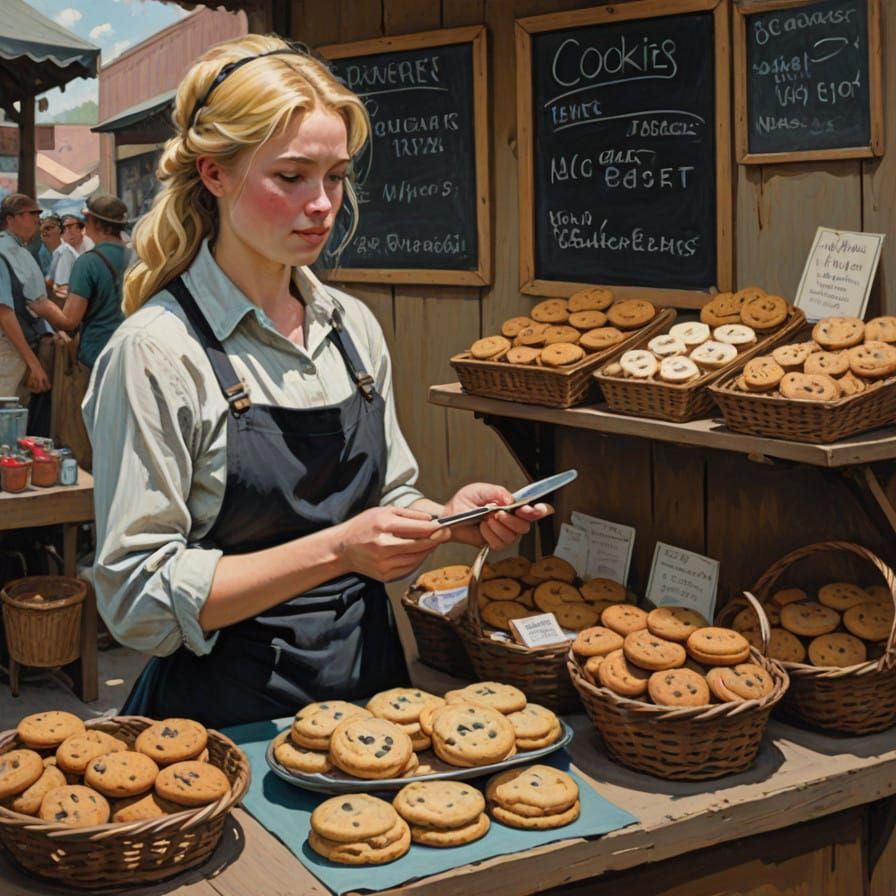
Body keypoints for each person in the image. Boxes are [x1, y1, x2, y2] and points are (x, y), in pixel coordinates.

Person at [82, 35, 550, 729]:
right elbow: (137, 600)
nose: (324, 203)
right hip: (225, 724)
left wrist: (448, 518)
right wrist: (337, 550)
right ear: (214, 173)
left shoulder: (350, 325)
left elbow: (384, 498)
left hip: (373, 697)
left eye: (335, 176)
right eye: (293, 176)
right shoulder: (156, 352)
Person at [30, 193, 129, 469]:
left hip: (96, 357)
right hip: (133, 355)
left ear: (91, 222)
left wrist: (43, 305)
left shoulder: (88, 262)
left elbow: (70, 321)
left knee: (92, 436)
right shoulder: (140, 258)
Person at [0, 194, 51, 404]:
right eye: (28, 214)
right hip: (7, 351)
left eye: (37, 214)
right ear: (10, 219)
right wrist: (33, 362)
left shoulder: (21, 250)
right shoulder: (3, 252)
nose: (36, 219)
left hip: (22, 347)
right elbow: (4, 314)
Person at [41, 214, 78, 300]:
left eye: (48, 228)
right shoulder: (54, 252)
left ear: (60, 230)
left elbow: (62, 291)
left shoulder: (65, 253)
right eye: (42, 229)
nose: (44, 232)